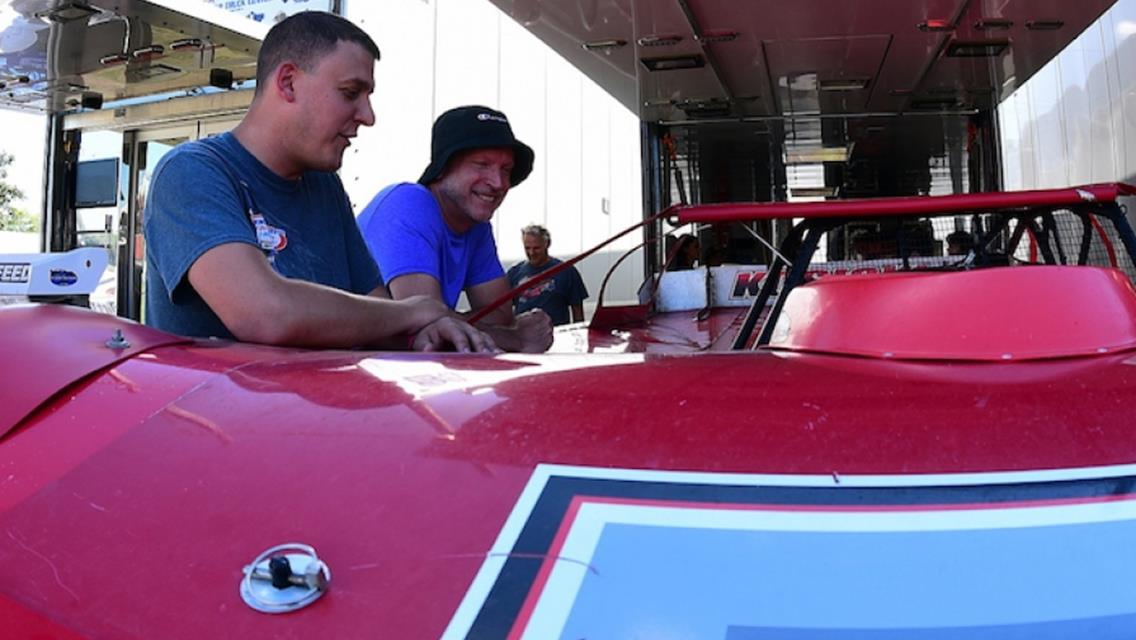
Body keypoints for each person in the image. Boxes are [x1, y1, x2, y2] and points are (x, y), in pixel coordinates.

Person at [143, 12, 494, 352]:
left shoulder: (325, 186)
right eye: (350, 92)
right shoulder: (191, 172)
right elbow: (264, 313)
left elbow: (376, 316)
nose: (368, 116)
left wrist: (427, 333)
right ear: (288, 82)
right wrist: (414, 312)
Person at [357, 105, 553, 353]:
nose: (498, 183)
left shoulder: (476, 225)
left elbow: (501, 315)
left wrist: (452, 320)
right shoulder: (407, 202)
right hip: (341, 367)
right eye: (482, 164)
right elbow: (426, 324)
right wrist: (516, 339)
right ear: (442, 168)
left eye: (505, 170)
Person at [507, 224, 588, 325]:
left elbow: (578, 312)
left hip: (556, 331)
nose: (531, 253)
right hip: (523, 332)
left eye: (536, 248)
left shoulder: (567, 272)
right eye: (527, 248)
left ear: (547, 244)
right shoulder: (513, 273)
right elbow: (504, 310)